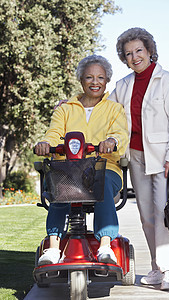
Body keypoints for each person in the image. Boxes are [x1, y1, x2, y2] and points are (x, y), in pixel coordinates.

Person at [108, 27, 169, 290]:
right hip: (137, 156)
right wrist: (71, 103)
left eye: (139, 50)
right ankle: (156, 268)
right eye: (128, 53)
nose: (134, 56)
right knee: (146, 216)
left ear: (150, 51)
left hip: (164, 159)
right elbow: (103, 109)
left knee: (166, 215)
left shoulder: (167, 80)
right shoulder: (123, 85)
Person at [35, 55, 129, 266]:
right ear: (81, 80)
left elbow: (121, 134)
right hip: (69, 167)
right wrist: (45, 144)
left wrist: (112, 141)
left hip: (104, 166)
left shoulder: (114, 109)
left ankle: (105, 246)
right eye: (89, 77)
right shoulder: (65, 108)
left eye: (100, 77)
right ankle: (53, 248)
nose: (95, 82)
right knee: (60, 181)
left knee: (101, 181)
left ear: (107, 81)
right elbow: (54, 133)